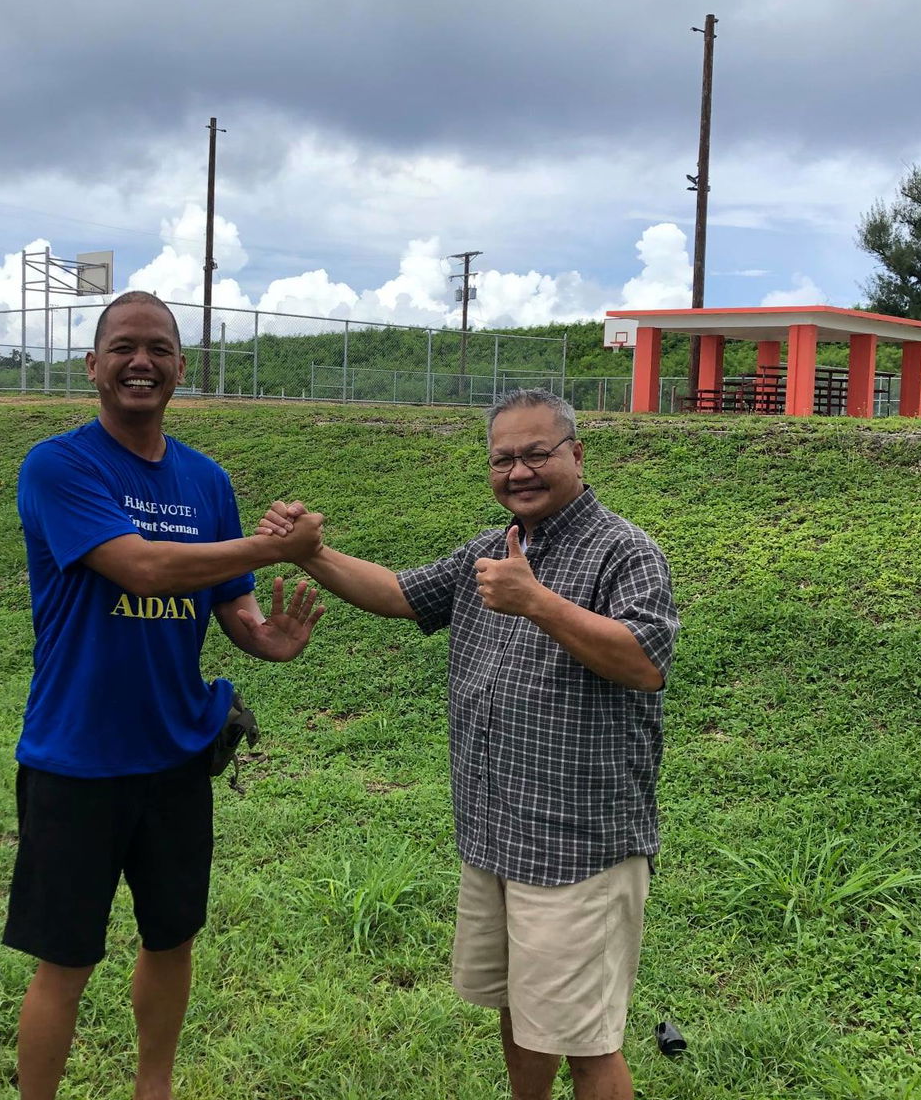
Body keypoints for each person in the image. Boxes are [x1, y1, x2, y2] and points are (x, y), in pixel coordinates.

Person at [260, 388, 678, 1100]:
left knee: (586, 1041)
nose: (519, 471)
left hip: (579, 848)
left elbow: (643, 660)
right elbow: (399, 592)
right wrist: (313, 553)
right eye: (502, 459)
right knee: (521, 1012)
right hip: (496, 836)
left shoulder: (625, 550)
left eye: (536, 453)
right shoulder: (492, 549)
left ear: (576, 454)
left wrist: (536, 600)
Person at [5, 290, 326, 1100]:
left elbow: (232, 603)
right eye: (123, 347)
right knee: (67, 959)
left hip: (176, 756)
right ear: (93, 365)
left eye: (159, 348)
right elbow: (142, 566)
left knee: (171, 939)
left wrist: (266, 638)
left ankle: (156, 1089)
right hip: (76, 756)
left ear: (182, 369)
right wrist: (273, 542)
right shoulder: (58, 466)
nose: (140, 361)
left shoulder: (206, 481)